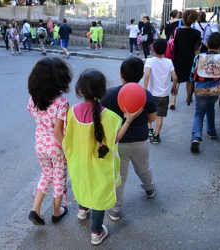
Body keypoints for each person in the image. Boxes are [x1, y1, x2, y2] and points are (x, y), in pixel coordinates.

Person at [63, 68, 142, 246]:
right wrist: (129, 120)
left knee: (83, 185)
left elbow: (68, 141)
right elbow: (115, 139)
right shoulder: (111, 117)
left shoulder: (72, 112)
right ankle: (96, 232)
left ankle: (82, 209)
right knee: (98, 196)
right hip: (100, 166)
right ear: (102, 90)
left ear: (79, 89)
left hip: (80, 164)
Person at [100, 57, 156, 221]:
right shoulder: (146, 94)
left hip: (118, 142)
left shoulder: (109, 94)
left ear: (121, 74)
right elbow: (152, 118)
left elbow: (102, 118)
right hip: (141, 140)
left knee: (119, 176)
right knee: (144, 168)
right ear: (140, 75)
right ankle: (150, 189)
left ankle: (115, 209)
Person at [27, 57, 73, 226]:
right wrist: (67, 150)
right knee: (59, 178)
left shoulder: (33, 99)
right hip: (56, 146)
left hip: (40, 143)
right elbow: (58, 131)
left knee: (46, 175)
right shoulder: (61, 102)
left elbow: (34, 116)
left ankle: (36, 209)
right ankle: (56, 211)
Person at [143, 39, 178, 144]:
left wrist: (145, 90)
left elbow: (147, 75)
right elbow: (175, 78)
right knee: (160, 116)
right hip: (163, 94)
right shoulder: (169, 62)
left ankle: (149, 129)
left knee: (149, 112)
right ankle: (156, 136)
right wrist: (174, 87)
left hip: (150, 93)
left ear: (153, 49)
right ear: (165, 49)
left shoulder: (150, 61)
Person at [170, 9, 201, 109]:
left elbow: (172, 45)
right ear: (194, 20)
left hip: (178, 58)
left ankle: (173, 100)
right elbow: (196, 50)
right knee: (189, 80)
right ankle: (188, 98)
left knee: (177, 80)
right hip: (190, 59)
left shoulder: (176, 31)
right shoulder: (197, 33)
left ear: (183, 19)